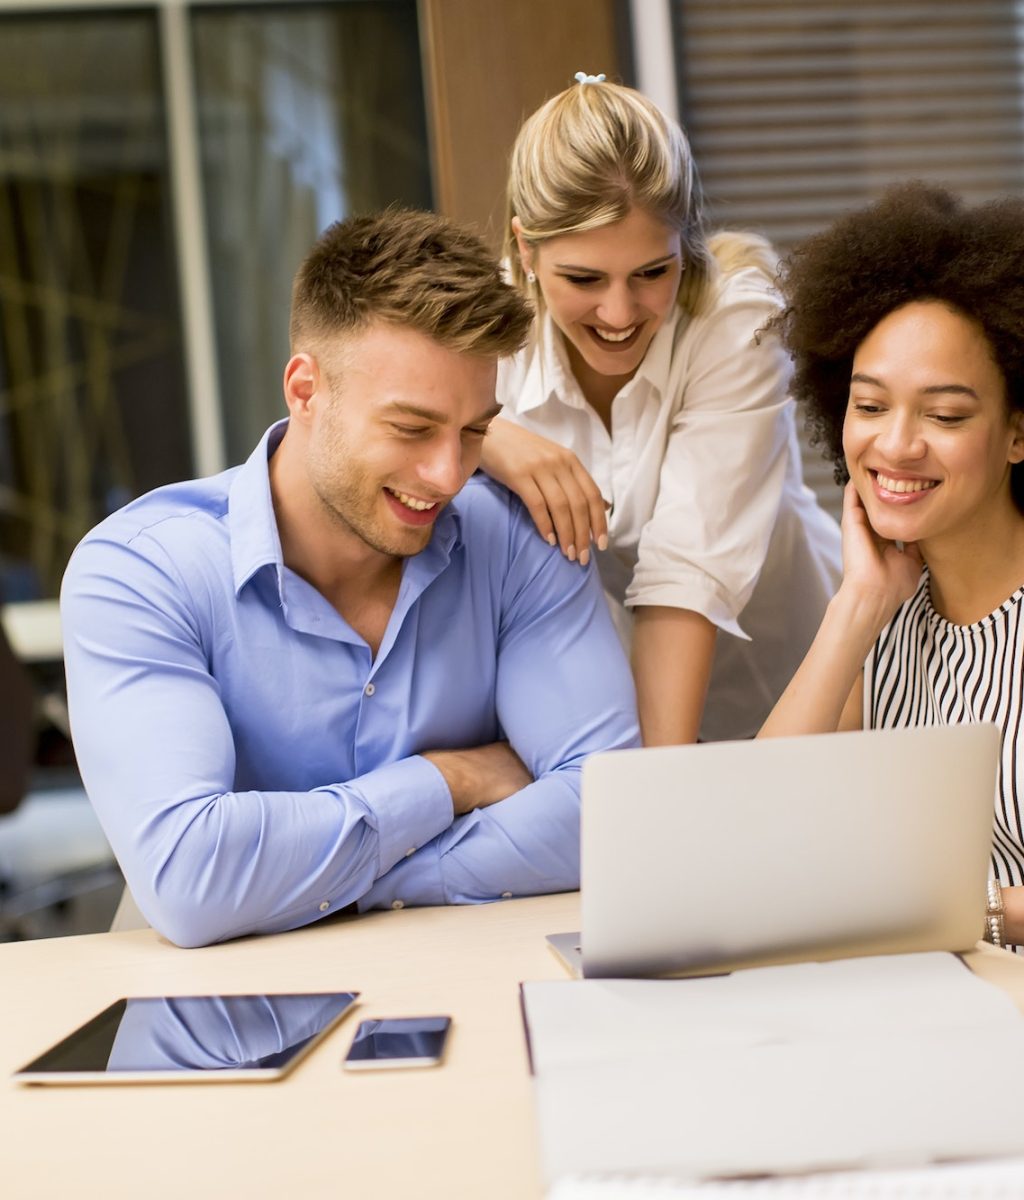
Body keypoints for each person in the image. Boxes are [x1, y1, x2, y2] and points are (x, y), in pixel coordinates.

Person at [60, 209, 640, 949]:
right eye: (411, 428)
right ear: (305, 391)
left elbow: (609, 812)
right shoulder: (142, 572)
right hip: (225, 1012)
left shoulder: (521, 540)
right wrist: (446, 783)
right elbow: (191, 877)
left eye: (474, 432)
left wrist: (328, 884)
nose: (448, 475)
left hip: (473, 979)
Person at [480, 74, 841, 745]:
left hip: (804, 678)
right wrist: (485, 437)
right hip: (630, 705)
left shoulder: (737, 326)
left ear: (686, 244)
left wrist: (657, 793)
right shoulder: (486, 334)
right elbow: (387, 423)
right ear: (525, 248)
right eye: (584, 279)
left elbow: (684, 579)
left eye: (652, 272)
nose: (619, 314)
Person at [760, 181, 1024, 952]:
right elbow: (757, 831)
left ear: (1016, 433)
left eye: (944, 415)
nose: (897, 446)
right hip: (919, 1006)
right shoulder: (890, 616)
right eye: (870, 407)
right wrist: (857, 609)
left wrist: (969, 916)